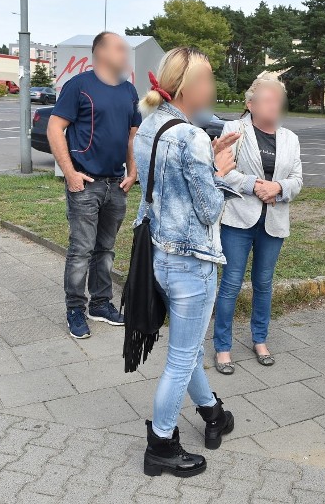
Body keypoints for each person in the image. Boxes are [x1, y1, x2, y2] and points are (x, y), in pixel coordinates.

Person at [133, 47, 240, 477]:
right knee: (180, 359)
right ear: (190, 86)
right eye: (209, 78)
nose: (214, 87)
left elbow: (160, 188)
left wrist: (207, 161)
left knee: (188, 348)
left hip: (158, 255)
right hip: (191, 264)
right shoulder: (192, 137)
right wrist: (219, 167)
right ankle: (161, 444)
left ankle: (212, 412)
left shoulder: (150, 125)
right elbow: (210, 209)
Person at [48, 32, 141, 339]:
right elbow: (55, 128)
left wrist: (133, 170)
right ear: (100, 53)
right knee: (81, 251)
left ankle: (100, 304)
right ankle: (75, 308)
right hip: (86, 184)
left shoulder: (128, 90)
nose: (125, 53)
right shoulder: (79, 86)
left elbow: (132, 135)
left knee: (106, 250)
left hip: (117, 184)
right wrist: (70, 173)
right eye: (119, 48)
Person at [212, 73, 303, 374]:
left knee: (264, 283)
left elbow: (298, 180)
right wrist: (255, 185)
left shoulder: (291, 138)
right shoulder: (234, 129)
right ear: (250, 104)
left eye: (277, 100)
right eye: (267, 99)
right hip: (238, 219)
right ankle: (223, 347)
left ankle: (259, 339)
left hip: (274, 220)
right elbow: (223, 171)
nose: (274, 105)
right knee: (231, 283)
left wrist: (279, 189)